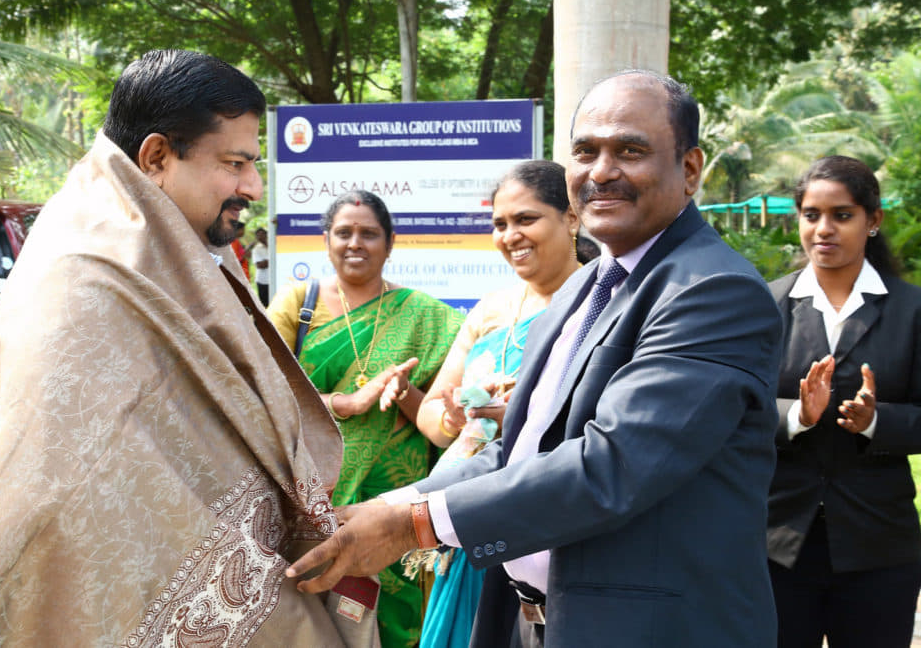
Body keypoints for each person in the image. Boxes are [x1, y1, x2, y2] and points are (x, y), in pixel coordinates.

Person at [286, 69, 785, 648]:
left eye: (630, 150)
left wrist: (412, 525)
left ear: (690, 169)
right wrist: (387, 505)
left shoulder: (710, 291)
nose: (602, 172)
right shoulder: (588, 285)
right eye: (585, 151)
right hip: (535, 619)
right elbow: (522, 447)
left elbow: (612, 465)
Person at [0, 50, 362, 647]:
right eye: (236, 163)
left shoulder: (175, 252)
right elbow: (69, 491)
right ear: (157, 156)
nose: (253, 185)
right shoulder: (88, 275)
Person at [267, 189, 464, 647]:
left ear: (390, 243)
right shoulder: (299, 304)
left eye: (369, 234)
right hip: (315, 494)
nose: (355, 243)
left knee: (400, 625)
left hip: (395, 500)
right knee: (313, 618)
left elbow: (444, 421)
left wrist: (405, 393)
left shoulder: (429, 319)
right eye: (344, 233)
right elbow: (261, 393)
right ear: (326, 240)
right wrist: (346, 403)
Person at [413, 159, 580, 648]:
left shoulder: (602, 302)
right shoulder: (492, 310)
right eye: (500, 224)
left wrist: (525, 420)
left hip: (545, 514)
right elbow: (432, 420)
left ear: (570, 217)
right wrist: (453, 416)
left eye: (526, 219)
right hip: (469, 509)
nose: (511, 236)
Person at [767, 155, 921, 648]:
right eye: (811, 215)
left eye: (842, 215)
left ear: (873, 221)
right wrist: (796, 414)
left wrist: (877, 422)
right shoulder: (764, 306)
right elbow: (732, 407)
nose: (823, 229)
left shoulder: (912, 311)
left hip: (880, 544)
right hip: (776, 543)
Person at [251, 226, 270, 305]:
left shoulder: (274, 246)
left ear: (266, 235)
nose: (260, 236)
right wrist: (273, 260)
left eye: (262, 234)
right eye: (258, 235)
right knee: (264, 304)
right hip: (263, 281)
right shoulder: (256, 249)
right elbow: (260, 265)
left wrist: (266, 261)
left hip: (275, 280)